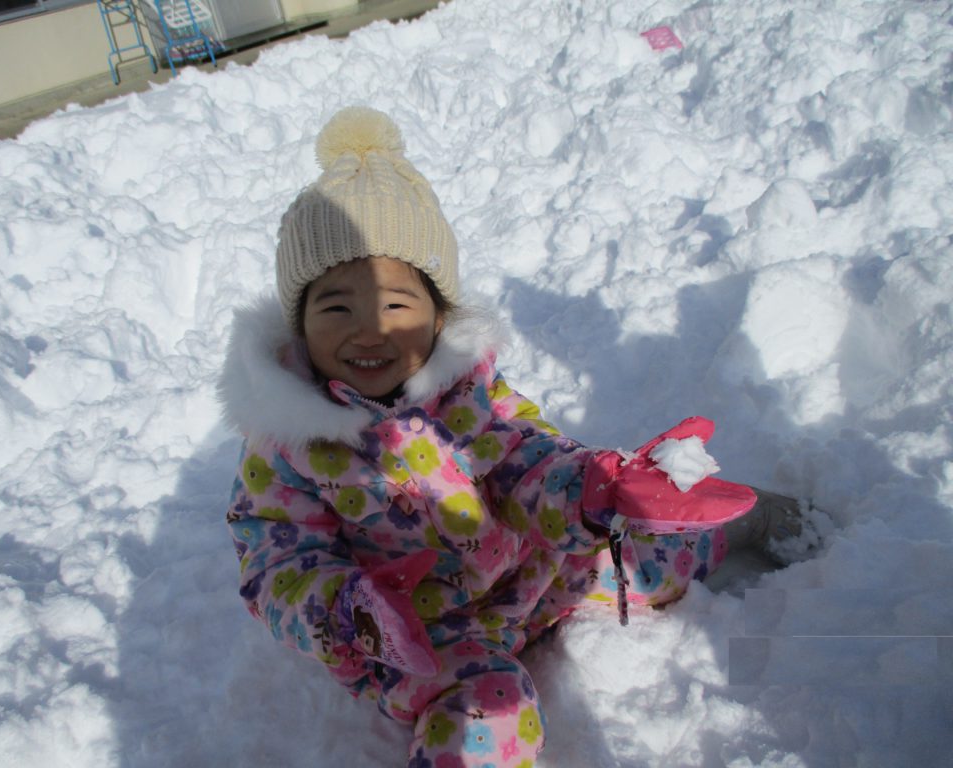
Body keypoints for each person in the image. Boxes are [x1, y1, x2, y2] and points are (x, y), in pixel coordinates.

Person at [218, 106, 818, 768]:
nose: (370, 330)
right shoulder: (286, 442)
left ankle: (734, 523)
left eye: (396, 303)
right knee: (489, 709)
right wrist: (346, 610)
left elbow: (528, 462)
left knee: (648, 560)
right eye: (336, 306)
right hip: (418, 635)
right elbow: (276, 561)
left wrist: (594, 489)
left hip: (531, 574)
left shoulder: (470, 392)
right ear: (300, 323)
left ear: (439, 314)